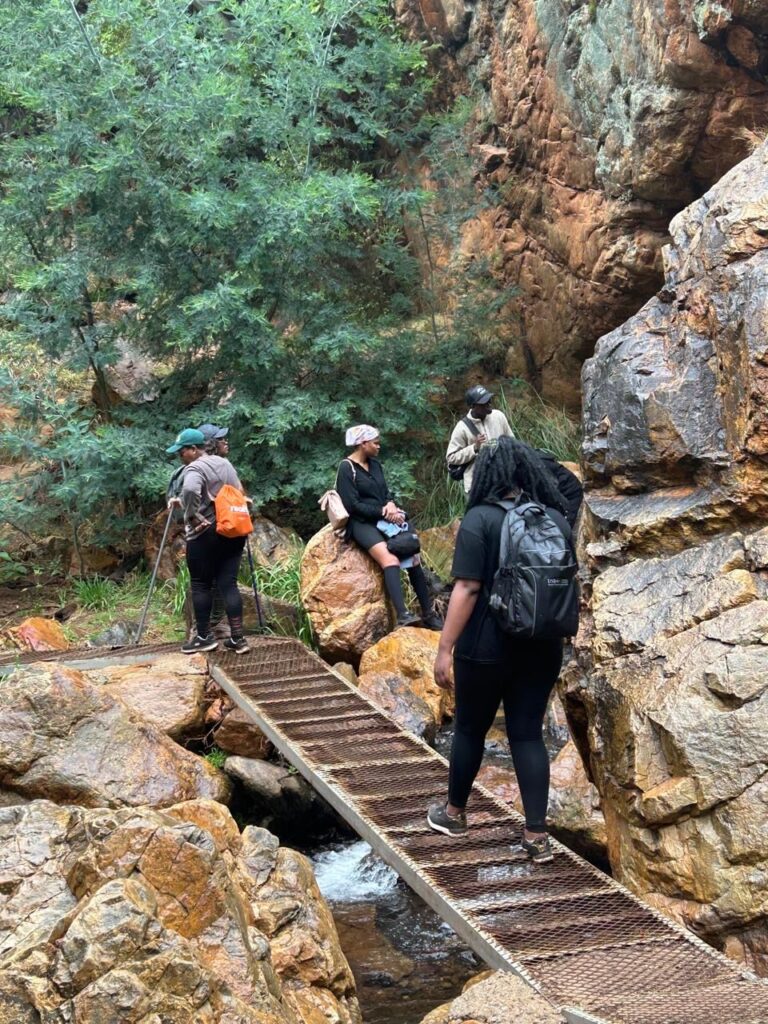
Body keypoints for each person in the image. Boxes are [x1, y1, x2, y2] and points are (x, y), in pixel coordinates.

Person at [427, 436, 575, 864]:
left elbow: (467, 588)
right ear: (529, 471)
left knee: (470, 729)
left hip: (486, 646)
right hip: (543, 645)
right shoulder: (554, 518)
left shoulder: (480, 519)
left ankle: (454, 814)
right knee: (527, 734)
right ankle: (536, 836)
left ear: (487, 475)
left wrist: (444, 648)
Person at [336, 424, 443, 630]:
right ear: (363, 443)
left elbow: (385, 493)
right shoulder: (346, 468)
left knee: (413, 558)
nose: (379, 446)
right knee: (390, 560)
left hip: (383, 518)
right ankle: (402, 614)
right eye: (375, 443)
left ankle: (428, 614)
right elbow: (352, 506)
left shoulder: (375, 465)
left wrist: (391, 504)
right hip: (361, 523)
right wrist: (383, 512)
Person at [165, 427, 252, 655]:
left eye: (182, 451)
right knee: (229, 584)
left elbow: (190, 490)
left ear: (194, 449)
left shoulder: (194, 467)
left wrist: (190, 514)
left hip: (206, 533)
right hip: (232, 530)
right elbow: (238, 491)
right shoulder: (225, 464)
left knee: (201, 584)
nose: (180, 456)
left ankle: (204, 637)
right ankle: (238, 639)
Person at [446, 385, 514, 493]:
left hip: (502, 482)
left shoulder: (499, 416)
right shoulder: (461, 428)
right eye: (484, 402)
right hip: (476, 487)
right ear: (473, 406)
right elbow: (451, 457)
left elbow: (512, 442)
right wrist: (474, 448)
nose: (488, 403)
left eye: (489, 399)